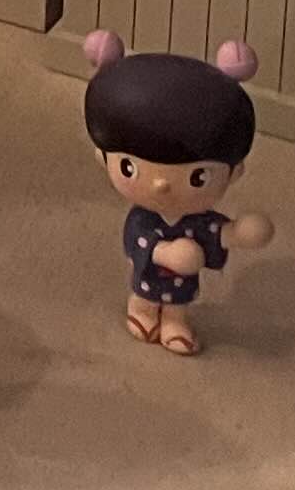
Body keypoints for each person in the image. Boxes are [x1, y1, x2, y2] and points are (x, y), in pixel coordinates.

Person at [81, 32, 275, 356]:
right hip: (148, 279)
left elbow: (217, 233)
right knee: (145, 296)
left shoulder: (197, 222)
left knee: (177, 307)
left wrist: (239, 232)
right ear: (103, 157)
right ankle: (141, 309)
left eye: (198, 177)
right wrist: (165, 253)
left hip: (182, 288)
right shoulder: (144, 220)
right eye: (129, 167)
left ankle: (174, 321)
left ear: (234, 172)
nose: (161, 185)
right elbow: (137, 242)